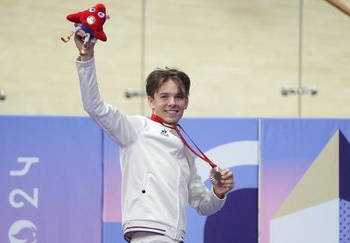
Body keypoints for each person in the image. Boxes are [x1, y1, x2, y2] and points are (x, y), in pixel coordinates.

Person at [73, 27, 235, 243]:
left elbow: (203, 205)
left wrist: (218, 192)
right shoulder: (136, 129)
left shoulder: (185, 148)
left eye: (179, 97)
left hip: (173, 237)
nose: (172, 103)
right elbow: (95, 107)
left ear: (186, 102)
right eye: (164, 96)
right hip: (149, 235)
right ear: (151, 101)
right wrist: (86, 57)